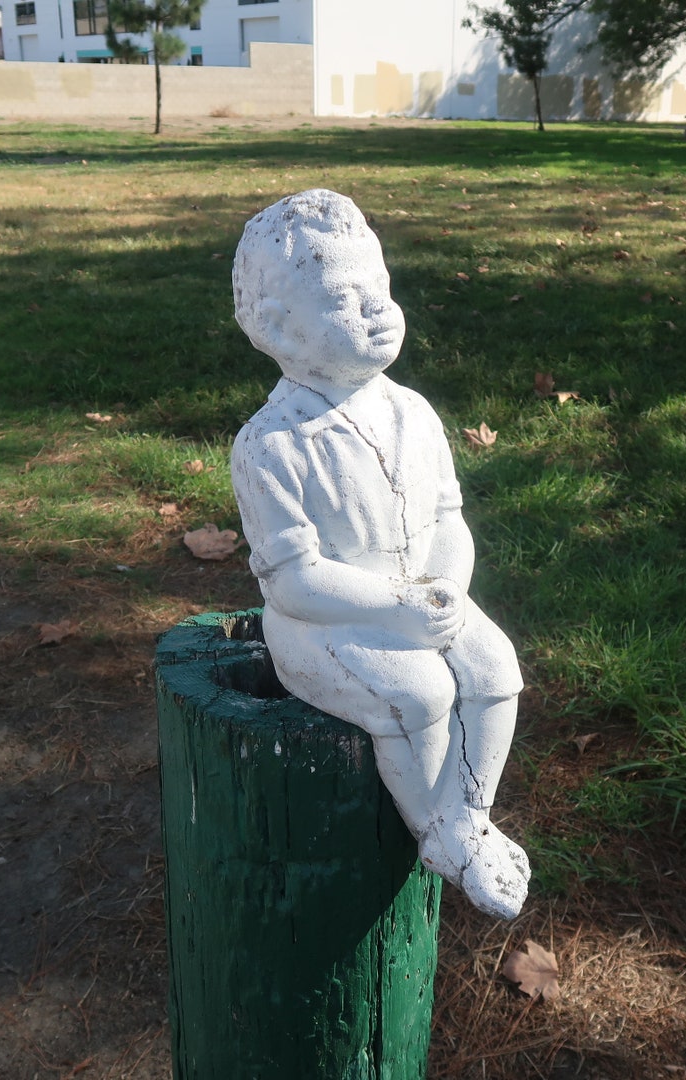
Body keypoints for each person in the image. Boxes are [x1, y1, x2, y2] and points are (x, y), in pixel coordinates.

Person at [231, 189, 528, 920]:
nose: (376, 309)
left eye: (381, 289)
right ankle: (437, 830)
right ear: (278, 328)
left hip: (420, 597)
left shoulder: (412, 412)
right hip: (325, 624)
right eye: (344, 299)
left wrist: (449, 588)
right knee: (421, 693)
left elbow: (449, 519)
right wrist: (395, 608)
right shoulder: (270, 446)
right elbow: (295, 582)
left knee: (494, 670)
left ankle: (471, 814)